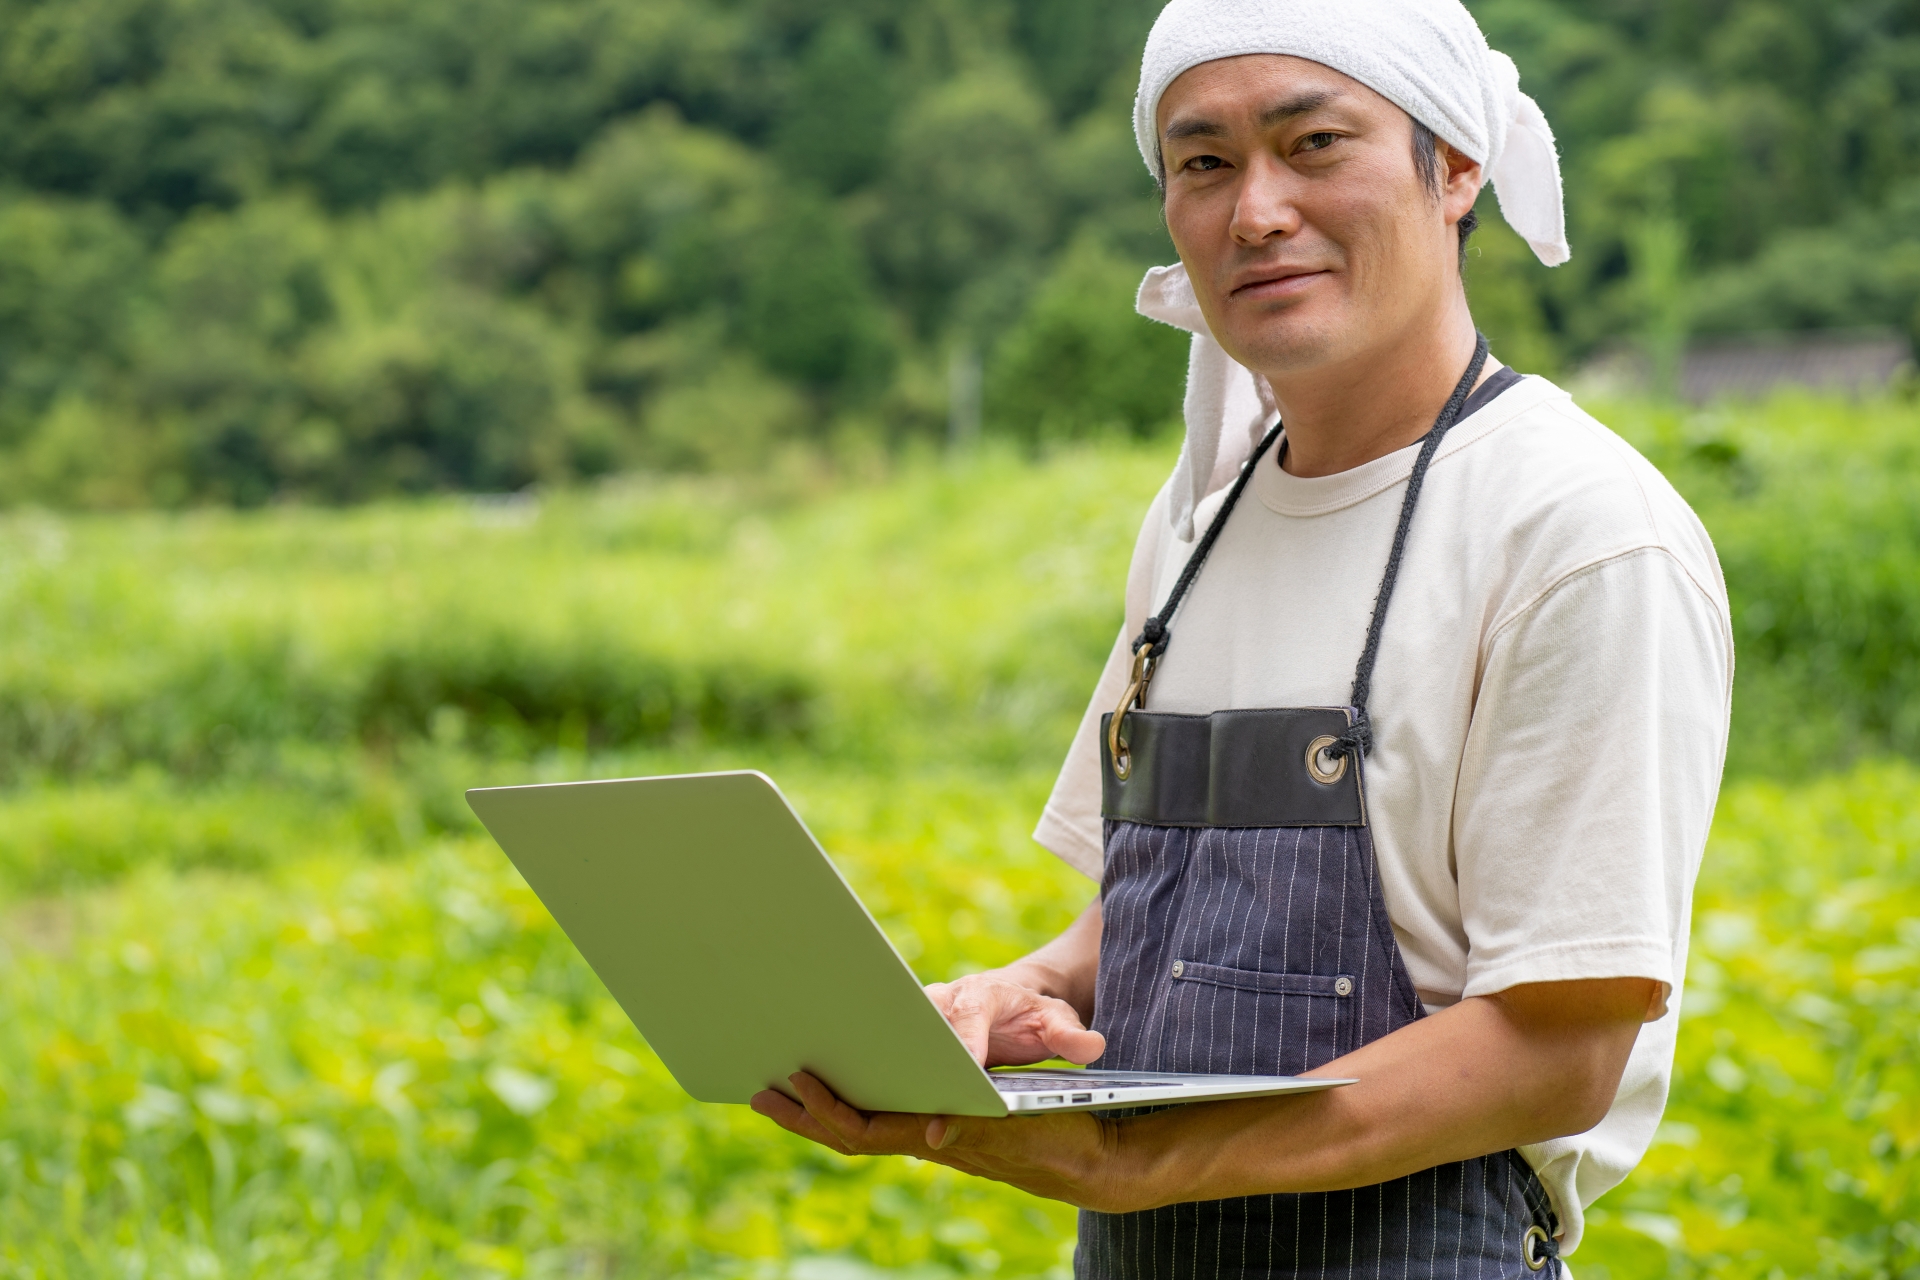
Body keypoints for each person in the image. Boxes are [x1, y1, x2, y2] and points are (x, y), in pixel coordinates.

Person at [752, 0, 1732, 1274]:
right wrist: (1027, 990)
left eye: (1315, 143)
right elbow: (1169, 906)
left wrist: (1134, 1161)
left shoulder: (1578, 531)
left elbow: (1558, 1048)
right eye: (1203, 163)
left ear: (1458, 169)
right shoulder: (1199, 525)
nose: (1255, 211)